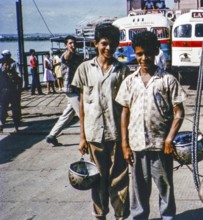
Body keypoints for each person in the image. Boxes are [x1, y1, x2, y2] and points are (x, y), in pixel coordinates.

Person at [115, 31, 187, 220]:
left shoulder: (167, 80)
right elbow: (125, 112)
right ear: (134, 53)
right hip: (137, 145)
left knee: (165, 187)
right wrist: (124, 144)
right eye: (139, 54)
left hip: (161, 146)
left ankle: (168, 216)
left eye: (148, 53)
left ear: (156, 51)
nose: (144, 58)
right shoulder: (130, 81)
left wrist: (170, 138)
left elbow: (179, 112)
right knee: (138, 189)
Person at [72, 24, 130, 220]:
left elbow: (126, 108)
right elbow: (82, 105)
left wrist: (126, 141)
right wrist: (82, 137)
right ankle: (99, 215)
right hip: (93, 134)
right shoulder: (84, 69)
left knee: (120, 180)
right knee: (97, 181)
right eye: (104, 44)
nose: (108, 48)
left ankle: (121, 216)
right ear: (95, 44)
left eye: (112, 44)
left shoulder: (122, 70)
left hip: (116, 135)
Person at [46, 35, 82, 146]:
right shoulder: (65, 56)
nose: (73, 45)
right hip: (70, 89)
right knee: (83, 114)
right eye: (70, 43)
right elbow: (67, 56)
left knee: (68, 114)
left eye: (74, 43)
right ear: (66, 45)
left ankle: (52, 135)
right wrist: (69, 50)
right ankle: (90, 139)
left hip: (77, 88)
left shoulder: (77, 56)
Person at [0, 57, 22, 133]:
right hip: (4, 94)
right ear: (3, 65)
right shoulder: (1, 74)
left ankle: (16, 126)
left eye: (8, 64)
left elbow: (19, 82)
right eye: (6, 65)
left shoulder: (14, 73)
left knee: (15, 110)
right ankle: (1, 124)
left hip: (13, 93)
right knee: (3, 110)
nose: (8, 66)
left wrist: (18, 92)